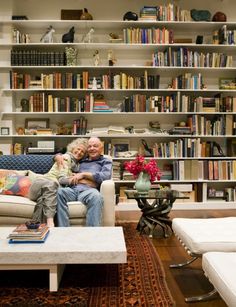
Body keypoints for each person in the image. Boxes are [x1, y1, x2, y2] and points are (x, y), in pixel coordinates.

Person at [28, 138, 88, 227]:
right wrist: (79, 179)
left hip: (47, 191)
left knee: (43, 200)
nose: (79, 152)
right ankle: (50, 222)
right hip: (40, 185)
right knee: (53, 184)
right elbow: (62, 180)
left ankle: (38, 228)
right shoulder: (66, 158)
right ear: (72, 148)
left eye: (82, 152)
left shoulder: (76, 165)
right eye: (78, 149)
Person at [56, 137, 112, 227]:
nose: (92, 148)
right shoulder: (81, 159)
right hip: (72, 189)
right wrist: (57, 156)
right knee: (59, 192)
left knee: (97, 197)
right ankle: (63, 230)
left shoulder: (105, 161)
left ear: (101, 148)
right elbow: (67, 154)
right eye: (89, 146)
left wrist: (83, 175)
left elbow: (104, 176)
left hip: (89, 191)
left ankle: (91, 233)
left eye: (95, 146)